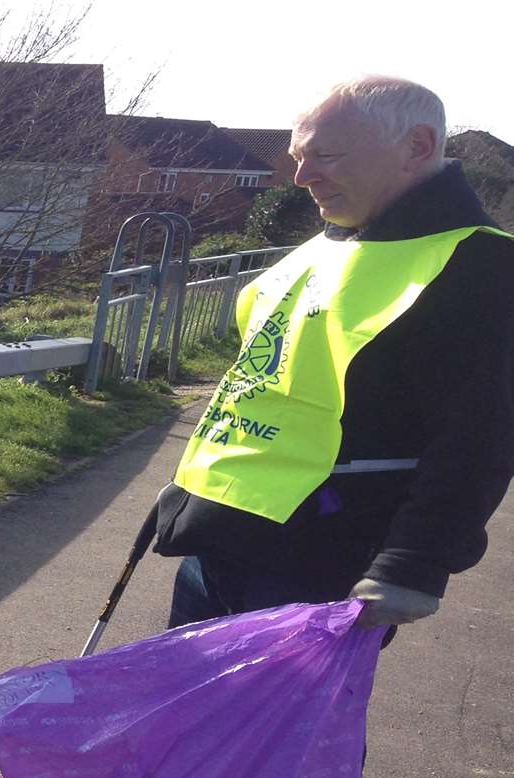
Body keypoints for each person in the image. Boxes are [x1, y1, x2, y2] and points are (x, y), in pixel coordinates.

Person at [157, 76, 514, 631]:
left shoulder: (482, 266)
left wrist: (411, 566)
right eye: (298, 158)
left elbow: (482, 436)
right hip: (220, 535)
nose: (302, 177)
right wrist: (191, 492)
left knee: (275, 721)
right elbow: (260, 384)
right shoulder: (326, 246)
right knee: (186, 716)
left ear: (417, 147)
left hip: (322, 562)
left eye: (324, 155)